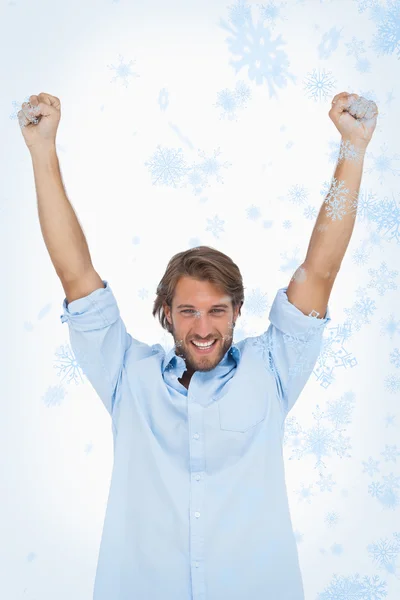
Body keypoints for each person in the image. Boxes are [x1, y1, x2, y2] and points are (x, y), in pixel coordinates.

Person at [19, 91, 376, 600]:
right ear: (166, 313)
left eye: (216, 311)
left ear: (236, 313)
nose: (203, 327)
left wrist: (354, 149)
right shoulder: (127, 375)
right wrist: (42, 150)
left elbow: (320, 269)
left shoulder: (272, 370)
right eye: (188, 311)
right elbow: (73, 271)